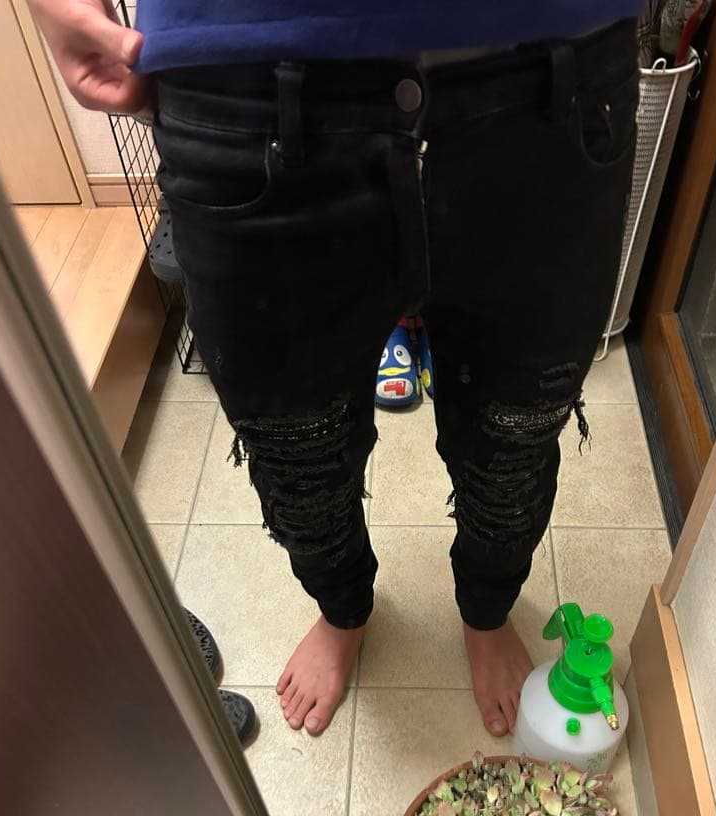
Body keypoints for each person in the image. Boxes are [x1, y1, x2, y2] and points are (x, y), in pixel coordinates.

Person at [32, 0, 642, 739]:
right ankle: (343, 609)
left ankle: (487, 610)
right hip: (243, 76)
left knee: (515, 435)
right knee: (298, 454)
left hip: (553, 69)